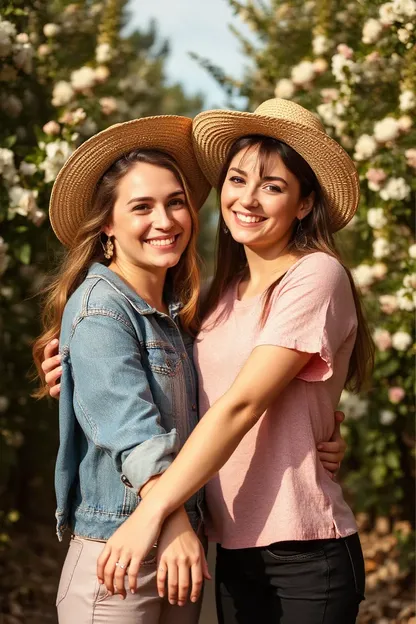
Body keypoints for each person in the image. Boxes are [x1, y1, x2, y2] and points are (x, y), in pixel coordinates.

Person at [40, 107, 349, 618]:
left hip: (289, 545)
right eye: (237, 179)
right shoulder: (207, 303)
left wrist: (165, 513)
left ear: (304, 203)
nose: (248, 199)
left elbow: (243, 403)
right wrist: (78, 376)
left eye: (272, 186)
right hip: (191, 544)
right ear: (108, 225)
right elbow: (133, 413)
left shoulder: (310, 276)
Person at [33, 115, 213, 623]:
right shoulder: (100, 309)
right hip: (121, 553)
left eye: (175, 202)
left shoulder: (177, 317)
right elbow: (130, 433)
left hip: (179, 550)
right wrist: (174, 519)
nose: (166, 220)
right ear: (108, 223)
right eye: (142, 207)